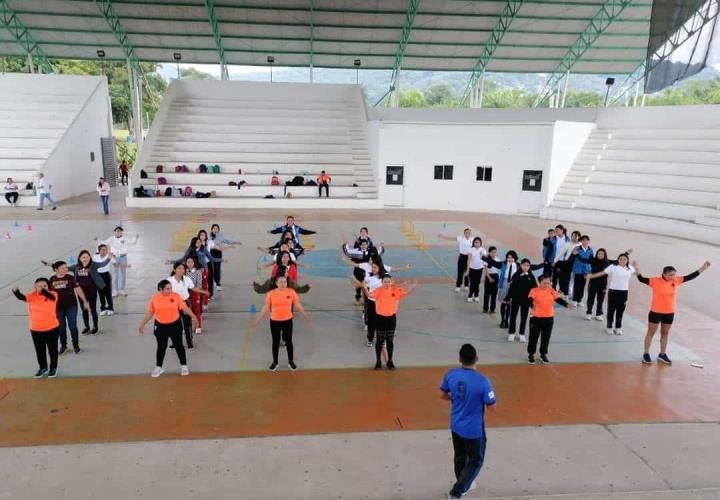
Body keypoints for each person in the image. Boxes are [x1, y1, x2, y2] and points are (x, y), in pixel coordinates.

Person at [440, 344, 496, 499]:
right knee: (476, 460)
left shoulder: (450, 375)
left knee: (460, 456)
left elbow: (444, 395)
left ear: (460, 359)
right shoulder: (483, 381)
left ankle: (464, 482)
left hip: (456, 424)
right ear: (476, 359)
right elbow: (492, 407)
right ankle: (457, 491)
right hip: (474, 429)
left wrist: (456, 397)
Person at [634, 260, 711, 365]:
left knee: (665, 333)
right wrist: (637, 268)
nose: (673, 277)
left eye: (674, 275)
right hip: (655, 312)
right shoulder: (655, 281)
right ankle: (646, 354)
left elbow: (691, 276)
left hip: (669, 312)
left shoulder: (676, 280)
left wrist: (703, 268)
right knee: (651, 333)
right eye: (670, 275)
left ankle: (662, 354)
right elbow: (641, 279)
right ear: (664, 274)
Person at [138, 279, 198, 378]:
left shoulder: (176, 296)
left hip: (175, 325)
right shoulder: (154, 298)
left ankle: (184, 366)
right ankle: (159, 367)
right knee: (161, 347)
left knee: (179, 346)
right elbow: (150, 313)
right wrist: (142, 324)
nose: (170, 290)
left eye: (170, 288)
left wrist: (194, 316)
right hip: (160, 326)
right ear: (160, 289)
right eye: (167, 289)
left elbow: (184, 308)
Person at [251, 275, 311, 371]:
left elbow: (297, 305)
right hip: (274, 321)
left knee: (289, 342)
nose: (283, 284)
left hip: (288, 321)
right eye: (280, 282)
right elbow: (265, 308)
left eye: (284, 282)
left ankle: (291, 362)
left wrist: (305, 315)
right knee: (275, 342)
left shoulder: (291, 292)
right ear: (276, 283)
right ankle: (275, 362)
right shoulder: (271, 293)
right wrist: (257, 321)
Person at [366, 275, 417, 370]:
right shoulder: (378, 290)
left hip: (391, 319)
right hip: (380, 319)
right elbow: (369, 295)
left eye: (388, 282)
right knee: (380, 341)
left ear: (391, 282)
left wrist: (412, 287)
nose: (387, 283)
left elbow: (405, 293)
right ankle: (378, 361)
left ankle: (390, 361)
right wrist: (364, 286)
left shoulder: (395, 290)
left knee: (390, 341)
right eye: (385, 282)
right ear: (382, 282)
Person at [12, 278, 60, 378]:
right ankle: (43, 367)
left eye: (45, 285)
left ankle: (53, 368)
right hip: (36, 329)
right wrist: (16, 292)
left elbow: (48, 295)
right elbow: (22, 297)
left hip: (52, 328)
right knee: (40, 350)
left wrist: (41, 289)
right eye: (40, 286)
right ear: (35, 287)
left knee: (52, 350)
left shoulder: (53, 294)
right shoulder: (32, 296)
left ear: (48, 286)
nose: (43, 287)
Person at [585, 253, 634, 335]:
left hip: (624, 292)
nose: (622, 260)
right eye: (620, 259)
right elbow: (602, 273)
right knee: (611, 310)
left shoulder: (630, 268)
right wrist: (591, 276)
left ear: (627, 260)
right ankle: (609, 327)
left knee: (620, 311)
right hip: (613, 291)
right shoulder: (613, 267)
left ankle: (618, 328)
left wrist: (637, 268)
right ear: (618, 260)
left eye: (624, 259)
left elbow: (637, 273)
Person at [527, 275, 571, 364]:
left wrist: (566, 304)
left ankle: (543, 354)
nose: (547, 285)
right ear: (539, 283)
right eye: (545, 283)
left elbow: (558, 299)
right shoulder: (534, 290)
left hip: (549, 319)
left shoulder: (551, 291)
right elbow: (530, 300)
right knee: (533, 337)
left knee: (546, 338)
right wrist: (532, 306)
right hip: (536, 318)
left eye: (548, 283)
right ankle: (531, 354)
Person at [49, 261, 90, 355]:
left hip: (71, 306)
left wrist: (84, 301)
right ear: (56, 269)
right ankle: (63, 345)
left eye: (66, 267)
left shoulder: (70, 278)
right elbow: (49, 294)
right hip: (58, 308)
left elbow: (78, 290)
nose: (65, 269)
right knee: (61, 327)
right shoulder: (51, 279)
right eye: (62, 268)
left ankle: (76, 345)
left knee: (73, 326)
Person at [67, 250, 111, 335]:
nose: (85, 259)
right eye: (83, 257)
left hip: (92, 291)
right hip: (81, 293)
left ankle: (95, 326)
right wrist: (52, 265)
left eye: (87, 257)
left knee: (93, 309)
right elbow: (64, 268)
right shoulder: (75, 267)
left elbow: (103, 264)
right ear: (80, 258)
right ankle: (86, 326)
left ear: (90, 257)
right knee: (84, 310)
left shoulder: (93, 265)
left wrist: (109, 257)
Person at [504, 258, 544, 343]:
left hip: (526, 300)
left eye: (528, 266)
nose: (526, 267)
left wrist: (535, 300)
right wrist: (508, 297)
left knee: (524, 317)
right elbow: (512, 287)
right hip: (515, 299)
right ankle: (511, 333)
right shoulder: (516, 275)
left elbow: (535, 289)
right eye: (524, 265)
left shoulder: (531, 276)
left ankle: (521, 333)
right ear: (521, 265)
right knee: (513, 316)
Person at [100, 226, 137, 297]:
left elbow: (132, 242)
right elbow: (104, 242)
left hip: (123, 258)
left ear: (121, 232)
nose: (118, 232)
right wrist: (98, 240)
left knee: (123, 275)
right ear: (114, 232)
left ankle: (122, 289)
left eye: (120, 231)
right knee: (115, 275)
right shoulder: (111, 239)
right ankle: (115, 290)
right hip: (115, 258)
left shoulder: (124, 239)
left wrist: (136, 238)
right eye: (117, 231)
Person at [169, 263, 196, 350]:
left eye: (183, 269)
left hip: (185, 303)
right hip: (173, 305)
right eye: (179, 268)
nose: (182, 270)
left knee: (187, 324)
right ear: (174, 270)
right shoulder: (169, 280)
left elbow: (192, 289)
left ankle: (189, 342)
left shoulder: (187, 279)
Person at [209, 223, 241, 291]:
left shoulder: (221, 236)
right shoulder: (209, 236)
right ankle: (216, 282)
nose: (215, 230)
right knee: (214, 268)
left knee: (218, 268)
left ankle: (217, 282)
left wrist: (236, 242)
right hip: (211, 253)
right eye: (214, 228)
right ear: (211, 229)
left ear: (218, 230)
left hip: (218, 253)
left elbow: (228, 241)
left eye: (217, 228)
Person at [185, 257, 209, 335]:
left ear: (194, 263)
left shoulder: (198, 272)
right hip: (185, 294)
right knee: (186, 311)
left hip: (194, 293)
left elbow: (199, 284)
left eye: (191, 262)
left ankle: (198, 326)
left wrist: (193, 289)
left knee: (196, 311)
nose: (190, 264)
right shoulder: (184, 272)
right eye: (188, 262)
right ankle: (187, 327)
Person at [570, 235, 593, 307]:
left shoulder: (590, 250)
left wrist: (590, 271)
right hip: (578, 270)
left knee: (582, 286)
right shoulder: (577, 249)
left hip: (586, 270)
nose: (585, 241)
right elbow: (572, 257)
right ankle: (574, 300)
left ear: (588, 241)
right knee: (577, 285)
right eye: (583, 240)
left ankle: (579, 300)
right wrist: (573, 254)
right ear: (581, 241)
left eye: (586, 240)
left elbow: (590, 261)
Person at [463, 237, 487, 303]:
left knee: (477, 283)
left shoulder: (483, 250)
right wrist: (467, 270)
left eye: (478, 242)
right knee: (472, 283)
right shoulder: (471, 250)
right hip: (472, 268)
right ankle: (470, 295)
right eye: (476, 242)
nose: (477, 244)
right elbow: (469, 260)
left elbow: (484, 260)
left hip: (480, 269)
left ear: (480, 243)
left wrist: (485, 272)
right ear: (474, 243)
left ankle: (476, 295)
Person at [551, 225, 572, 297]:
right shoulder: (553, 239)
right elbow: (548, 249)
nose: (556, 231)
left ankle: (561, 291)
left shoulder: (567, 239)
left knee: (562, 277)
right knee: (554, 277)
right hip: (555, 261)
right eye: (555, 230)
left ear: (562, 230)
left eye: (557, 229)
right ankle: (552, 291)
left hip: (563, 261)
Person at [94, 244, 114, 316]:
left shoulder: (109, 257)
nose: (105, 251)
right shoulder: (95, 257)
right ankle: (103, 308)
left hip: (106, 275)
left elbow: (115, 263)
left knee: (108, 293)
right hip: (98, 276)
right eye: (103, 250)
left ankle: (110, 308)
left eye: (106, 250)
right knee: (101, 293)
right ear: (99, 251)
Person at [481, 246, 500, 314]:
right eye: (492, 252)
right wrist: (489, 278)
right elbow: (485, 269)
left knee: (494, 294)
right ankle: (485, 308)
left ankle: (492, 309)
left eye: (495, 252)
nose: (494, 254)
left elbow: (499, 270)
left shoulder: (498, 260)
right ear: (489, 252)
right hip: (488, 276)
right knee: (486, 294)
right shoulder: (486, 259)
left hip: (495, 276)